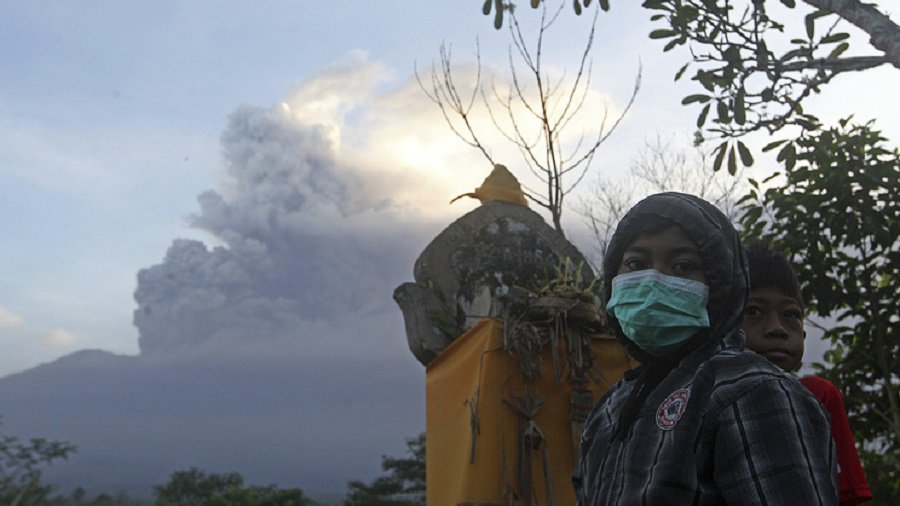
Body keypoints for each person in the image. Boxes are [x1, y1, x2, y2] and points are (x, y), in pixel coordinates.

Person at [572, 192, 837, 505]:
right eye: (637, 264)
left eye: (683, 266)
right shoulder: (611, 409)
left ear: (720, 285)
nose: (655, 281)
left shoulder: (751, 390)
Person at [742, 244, 872, 505]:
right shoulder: (703, 398)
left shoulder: (819, 397)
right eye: (754, 311)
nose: (777, 329)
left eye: (790, 314)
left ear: (803, 333)